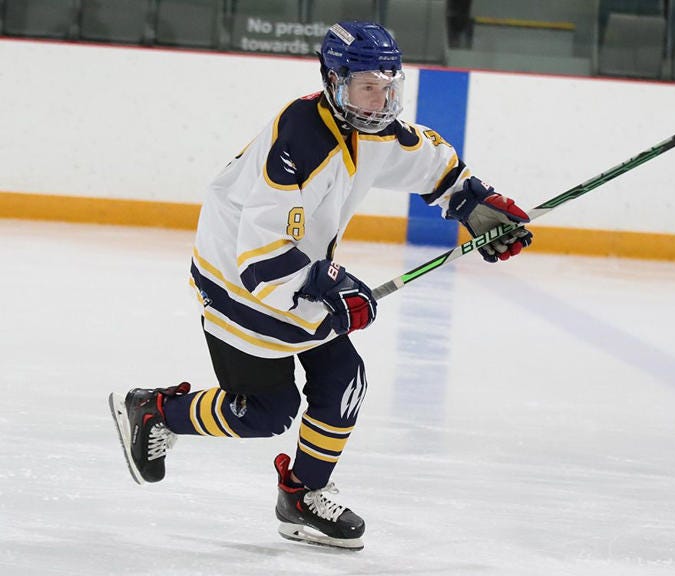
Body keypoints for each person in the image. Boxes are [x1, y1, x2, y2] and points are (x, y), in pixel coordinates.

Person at [108, 21, 532, 551]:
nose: (380, 100)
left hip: (294, 271)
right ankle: (155, 412)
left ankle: (302, 495)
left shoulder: (372, 128)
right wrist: (331, 286)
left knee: (345, 379)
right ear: (335, 82)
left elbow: (426, 158)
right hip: (237, 280)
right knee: (267, 411)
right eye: (366, 86)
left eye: (388, 85)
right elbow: (259, 256)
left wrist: (471, 200)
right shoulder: (300, 137)